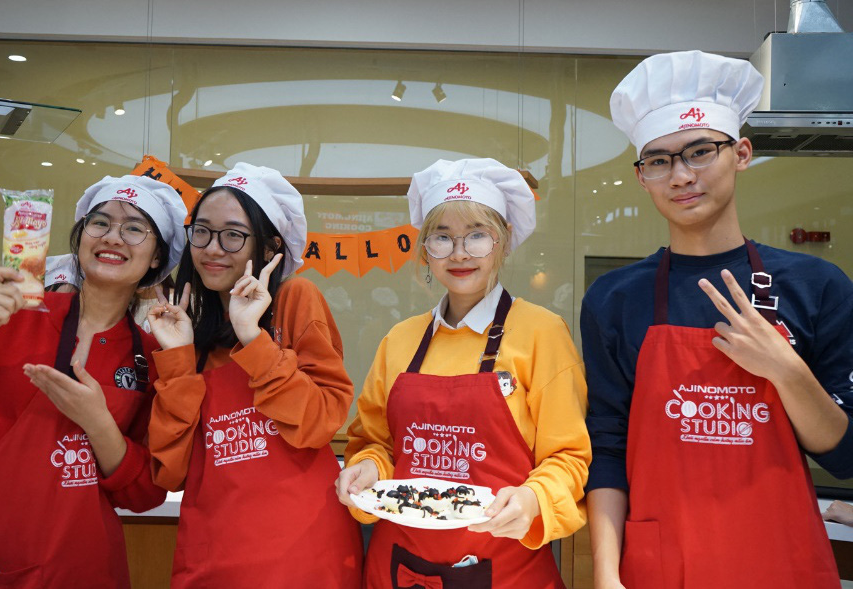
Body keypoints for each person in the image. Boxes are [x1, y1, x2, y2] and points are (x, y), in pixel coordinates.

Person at [582, 50, 853, 589]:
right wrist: (607, 575)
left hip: (779, 560)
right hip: (663, 565)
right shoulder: (615, 298)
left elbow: (844, 455)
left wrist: (786, 370)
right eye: (658, 160)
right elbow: (606, 450)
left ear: (742, 153)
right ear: (642, 178)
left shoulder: (816, 286)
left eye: (699, 151)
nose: (681, 175)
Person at [0, 175, 187, 588]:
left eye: (134, 228)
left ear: (154, 260)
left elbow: (145, 493)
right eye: (100, 223)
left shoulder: (149, 354)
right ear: (80, 239)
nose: (113, 237)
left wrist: (98, 423)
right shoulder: (10, 312)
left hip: (82, 566)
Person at [337, 158, 591, 589]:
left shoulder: (541, 333)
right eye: (442, 237)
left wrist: (533, 499)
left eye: (477, 236)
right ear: (425, 251)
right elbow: (375, 443)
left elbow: (568, 458)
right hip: (399, 567)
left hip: (506, 568)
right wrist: (368, 470)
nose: (458, 253)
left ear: (504, 242)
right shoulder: (400, 339)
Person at [147, 163, 363, 588]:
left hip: (302, 557)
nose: (212, 248)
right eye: (202, 231)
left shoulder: (295, 298)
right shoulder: (190, 326)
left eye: (233, 235)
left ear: (269, 248)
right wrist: (176, 358)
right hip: (213, 553)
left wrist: (253, 337)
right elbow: (169, 472)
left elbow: (319, 422)